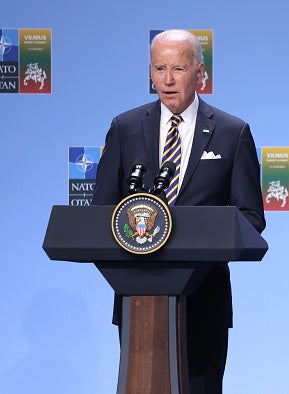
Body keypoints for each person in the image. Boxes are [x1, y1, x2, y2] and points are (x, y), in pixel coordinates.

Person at [92, 29, 265, 394]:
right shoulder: (124, 128)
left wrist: (199, 236)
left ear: (200, 73)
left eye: (179, 69)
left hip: (204, 304)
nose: (167, 80)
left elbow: (251, 218)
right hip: (138, 301)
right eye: (159, 69)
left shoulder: (233, 133)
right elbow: (101, 215)